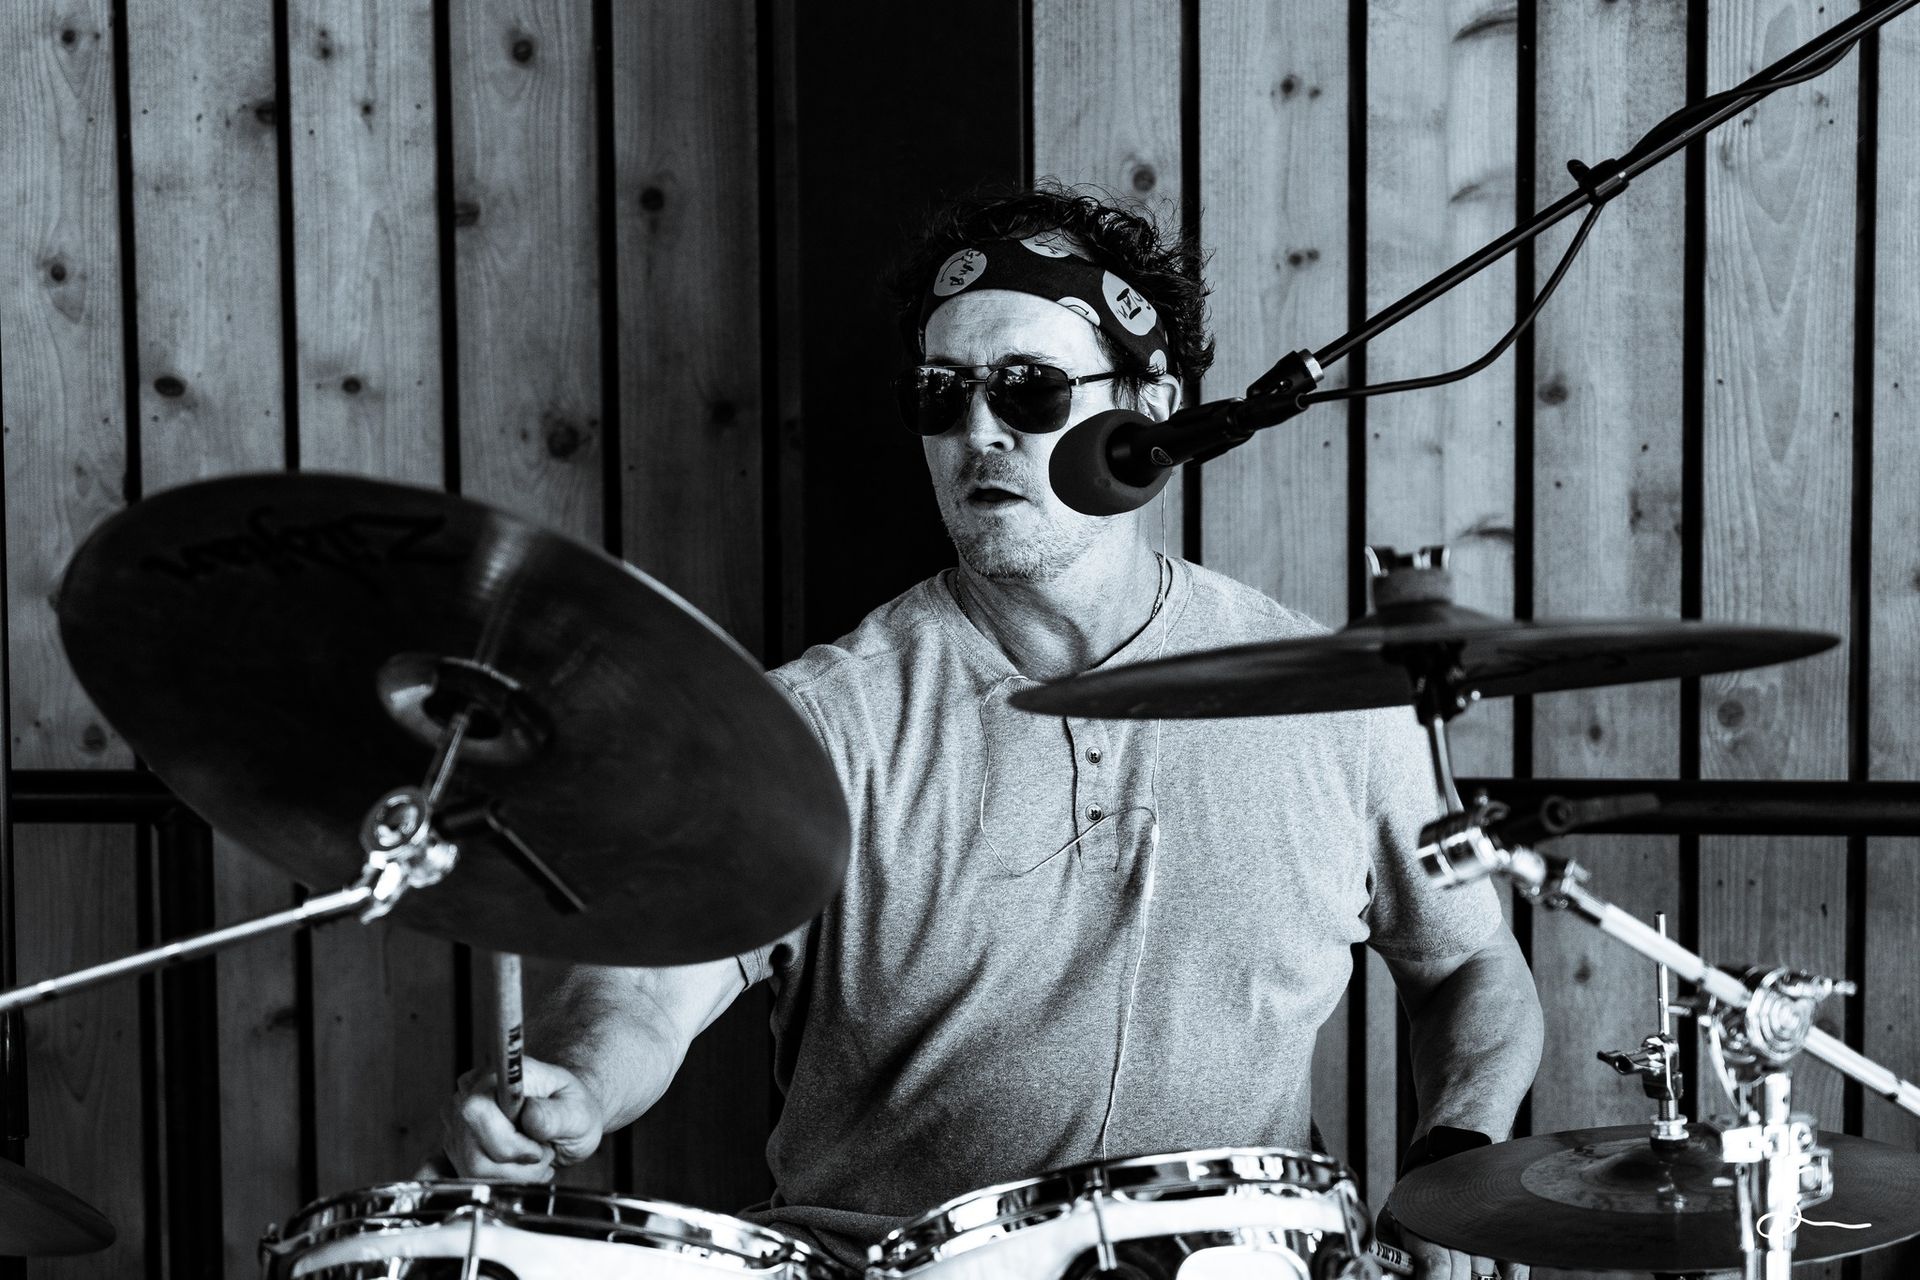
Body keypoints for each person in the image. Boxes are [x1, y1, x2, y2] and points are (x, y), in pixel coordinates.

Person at [441, 186, 1543, 1280]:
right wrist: (578, 1078)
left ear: (1153, 407)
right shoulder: (818, 722)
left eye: (1030, 387)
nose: (978, 431)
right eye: (941, 393)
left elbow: (1468, 965)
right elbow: (644, 989)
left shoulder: (1336, 703)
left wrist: (1454, 1156)